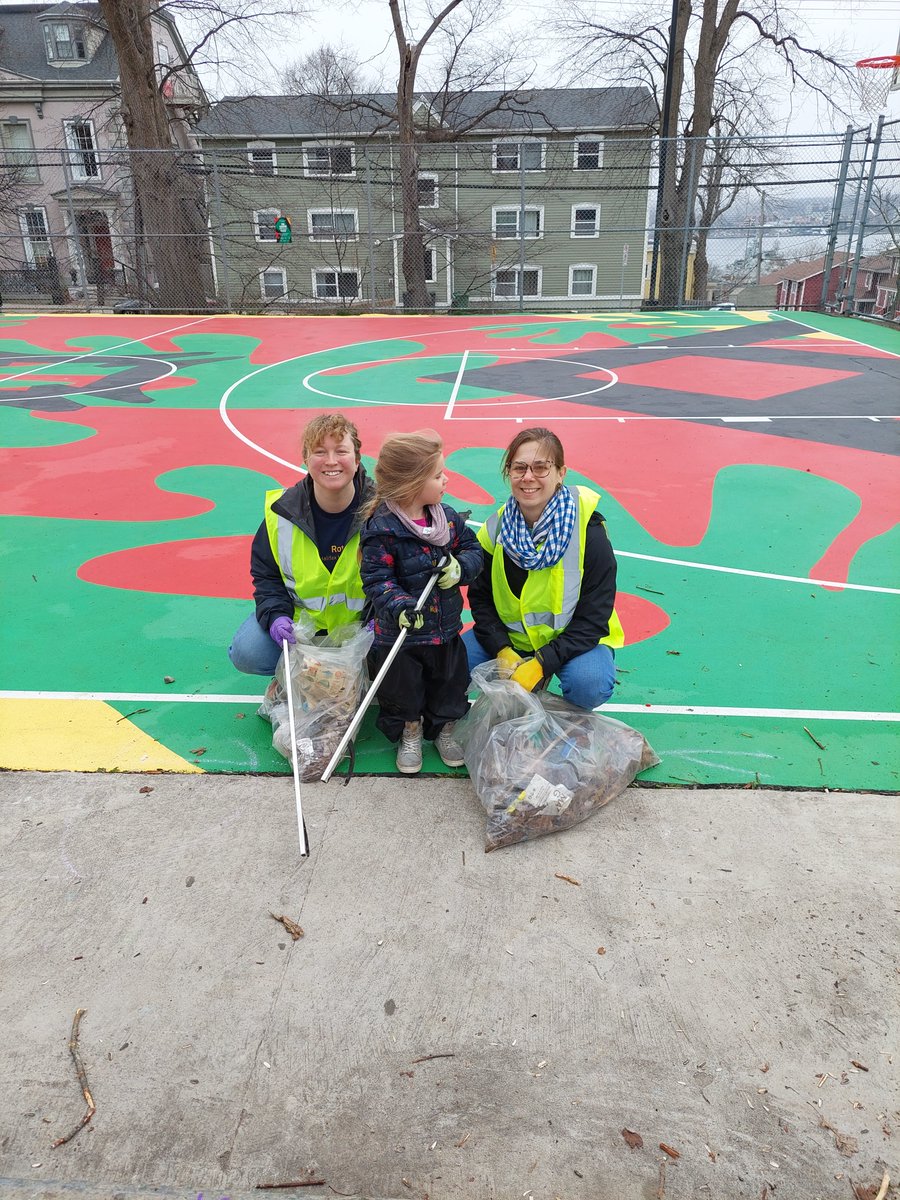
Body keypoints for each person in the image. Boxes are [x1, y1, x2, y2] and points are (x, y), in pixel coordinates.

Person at [464, 426, 623, 710]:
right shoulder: (494, 530)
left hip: (575, 642)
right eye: (519, 468)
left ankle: (553, 692)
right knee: (449, 666)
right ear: (508, 473)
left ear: (561, 473)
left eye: (540, 467)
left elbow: (594, 617)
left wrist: (541, 663)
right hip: (512, 641)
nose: (528, 477)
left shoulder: (590, 532)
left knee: (590, 684)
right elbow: (481, 599)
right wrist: (501, 648)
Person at [359, 430, 483, 774]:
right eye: (438, 474)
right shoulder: (381, 529)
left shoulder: (447, 518)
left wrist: (459, 569)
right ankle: (410, 731)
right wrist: (400, 606)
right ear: (413, 483)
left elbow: (472, 550)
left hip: (444, 631)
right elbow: (376, 580)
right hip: (401, 637)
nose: (446, 479)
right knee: (404, 690)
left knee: (450, 685)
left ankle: (445, 729)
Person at [228, 412, 375, 683]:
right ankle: (290, 675)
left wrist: (381, 621)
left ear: (356, 459)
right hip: (301, 628)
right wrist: (276, 617)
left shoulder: (381, 511)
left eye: (341, 451)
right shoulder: (282, 513)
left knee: (406, 648)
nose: (331, 461)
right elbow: (267, 577)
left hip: (361, 629)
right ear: (306, 460)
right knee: (248, 652)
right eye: (319, 452)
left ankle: (357, 673)